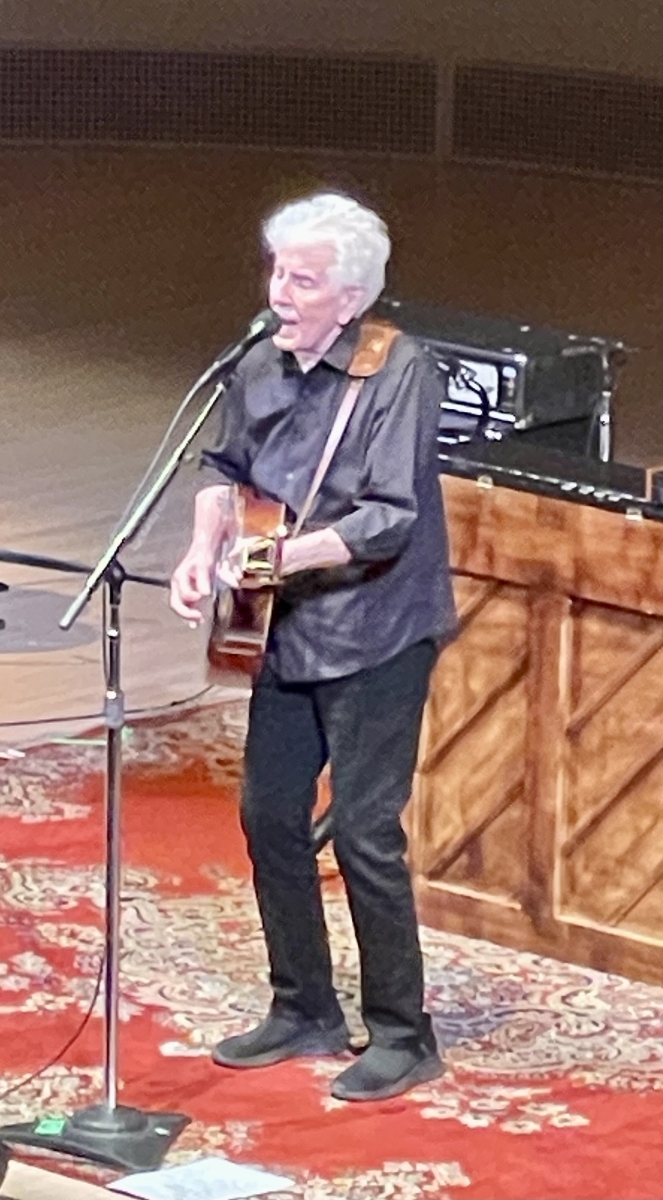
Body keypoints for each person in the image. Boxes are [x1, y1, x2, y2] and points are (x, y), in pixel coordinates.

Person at [169, 192, 457, 1101]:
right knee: (268, 816)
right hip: (288, 632)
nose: (279, 292)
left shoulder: (399, 372)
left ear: (352, 294)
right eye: (276, 272)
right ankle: (303, 1007)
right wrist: (203, 548)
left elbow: (386, 518)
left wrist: (275, 558)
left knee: (367, 835)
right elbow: (224, 469)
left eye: (302, 279)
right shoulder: (257, 363)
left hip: (376, 629)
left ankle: (404, 1036)